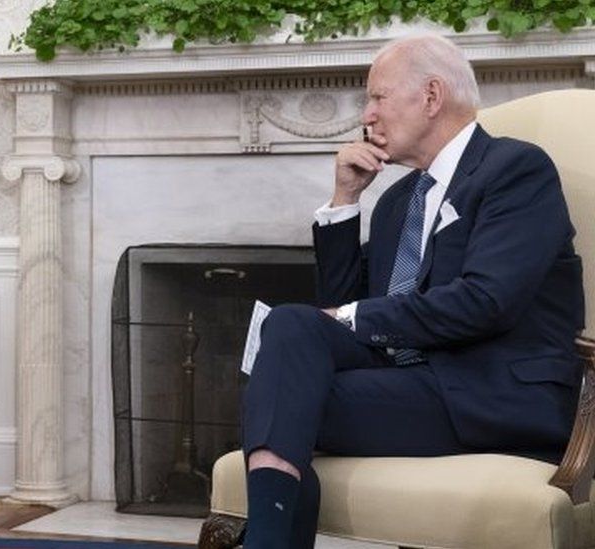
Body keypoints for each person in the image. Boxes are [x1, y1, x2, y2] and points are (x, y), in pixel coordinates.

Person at [241, 34, 584, 548]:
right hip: (411, 386)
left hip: (491, 393)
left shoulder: (515, 170)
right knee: (288, 325)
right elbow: (335, 309)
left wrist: (350, 318)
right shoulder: (397, 201)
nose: (366, 116)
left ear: (430, 96)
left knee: (277, 401)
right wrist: (344, 201)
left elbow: (485, 303)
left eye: (377, 97)